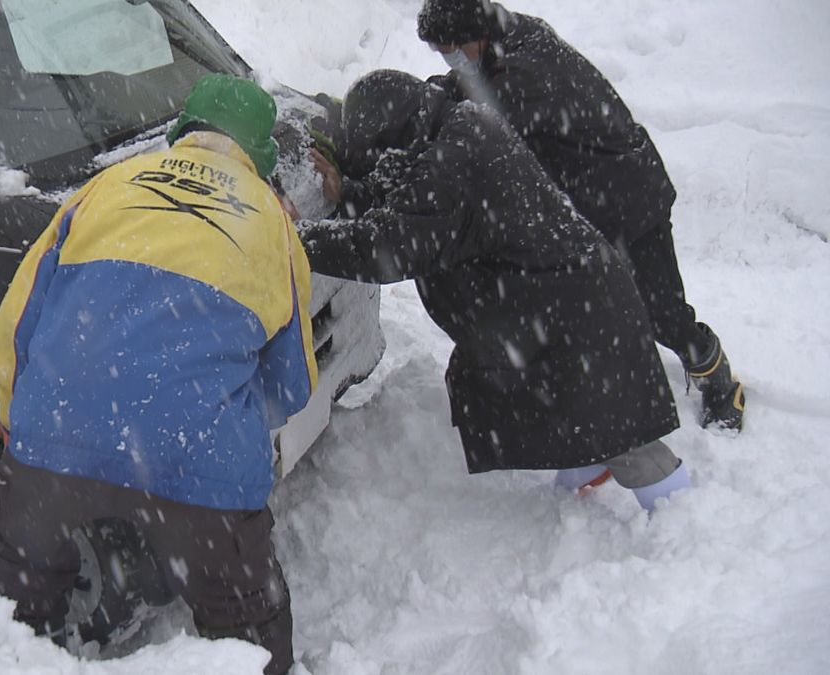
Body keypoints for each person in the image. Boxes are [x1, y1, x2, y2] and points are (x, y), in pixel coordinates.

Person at [0, 73, 317, 674]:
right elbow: (291, 384)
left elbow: (17, 320)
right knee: (246, 631)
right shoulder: (271, 221)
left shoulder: (105, 186)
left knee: (19, 605)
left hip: (51, 444)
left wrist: (16, 419)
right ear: (260, 156)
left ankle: (14, 648)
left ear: (182, 132)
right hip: (197, 465)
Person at [303, 69, 690, 510]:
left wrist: (297, 239)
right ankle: (588, 469)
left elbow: (387, 246)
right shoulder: (455, 128)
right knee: (571, 406)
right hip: (560, 303)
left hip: (574, 317)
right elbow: (409, 192)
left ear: (397, 134)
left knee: (622, 433)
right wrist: (350, 193)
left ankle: (677, 515)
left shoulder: (451, 163)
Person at [414, 0, 745, 435]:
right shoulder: (506, 35)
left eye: (451, 49)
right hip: (594, 196)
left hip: (628, 198)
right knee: (599, 307)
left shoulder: (524, 78)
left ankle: (718, 379)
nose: (450, 60)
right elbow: (469, 90)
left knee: (662, 313)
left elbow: (480, 131)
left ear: (472, 33)